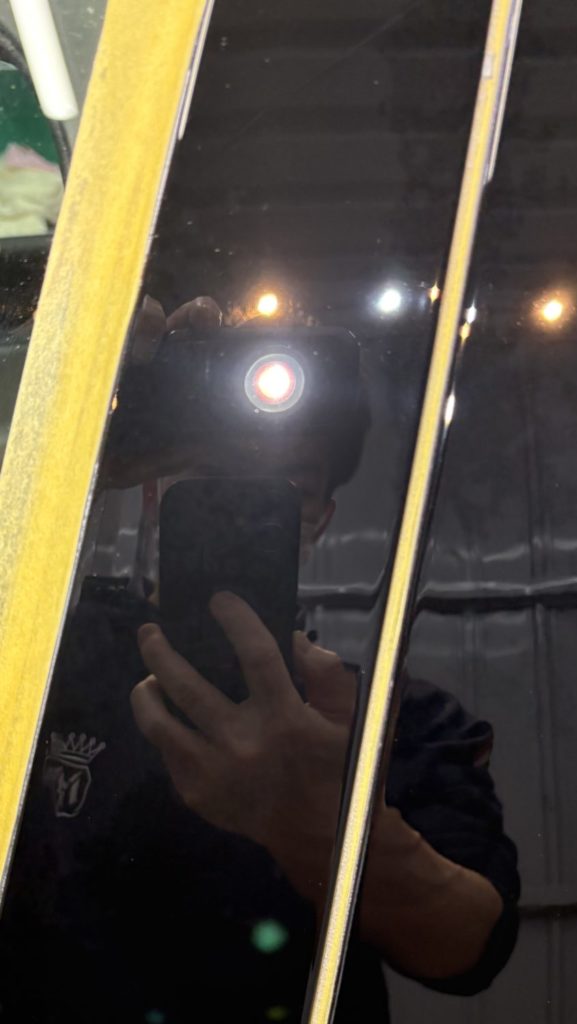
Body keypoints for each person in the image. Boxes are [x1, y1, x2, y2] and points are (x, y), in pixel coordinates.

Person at [0, 297, 519, 1024]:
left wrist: (319, 825)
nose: (244, 507)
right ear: (151, 492)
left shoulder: (389, 719)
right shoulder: (45, 648)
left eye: (287, 490)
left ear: (319, 521)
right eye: (213, 472)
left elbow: (468, 945)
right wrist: (54, 429)